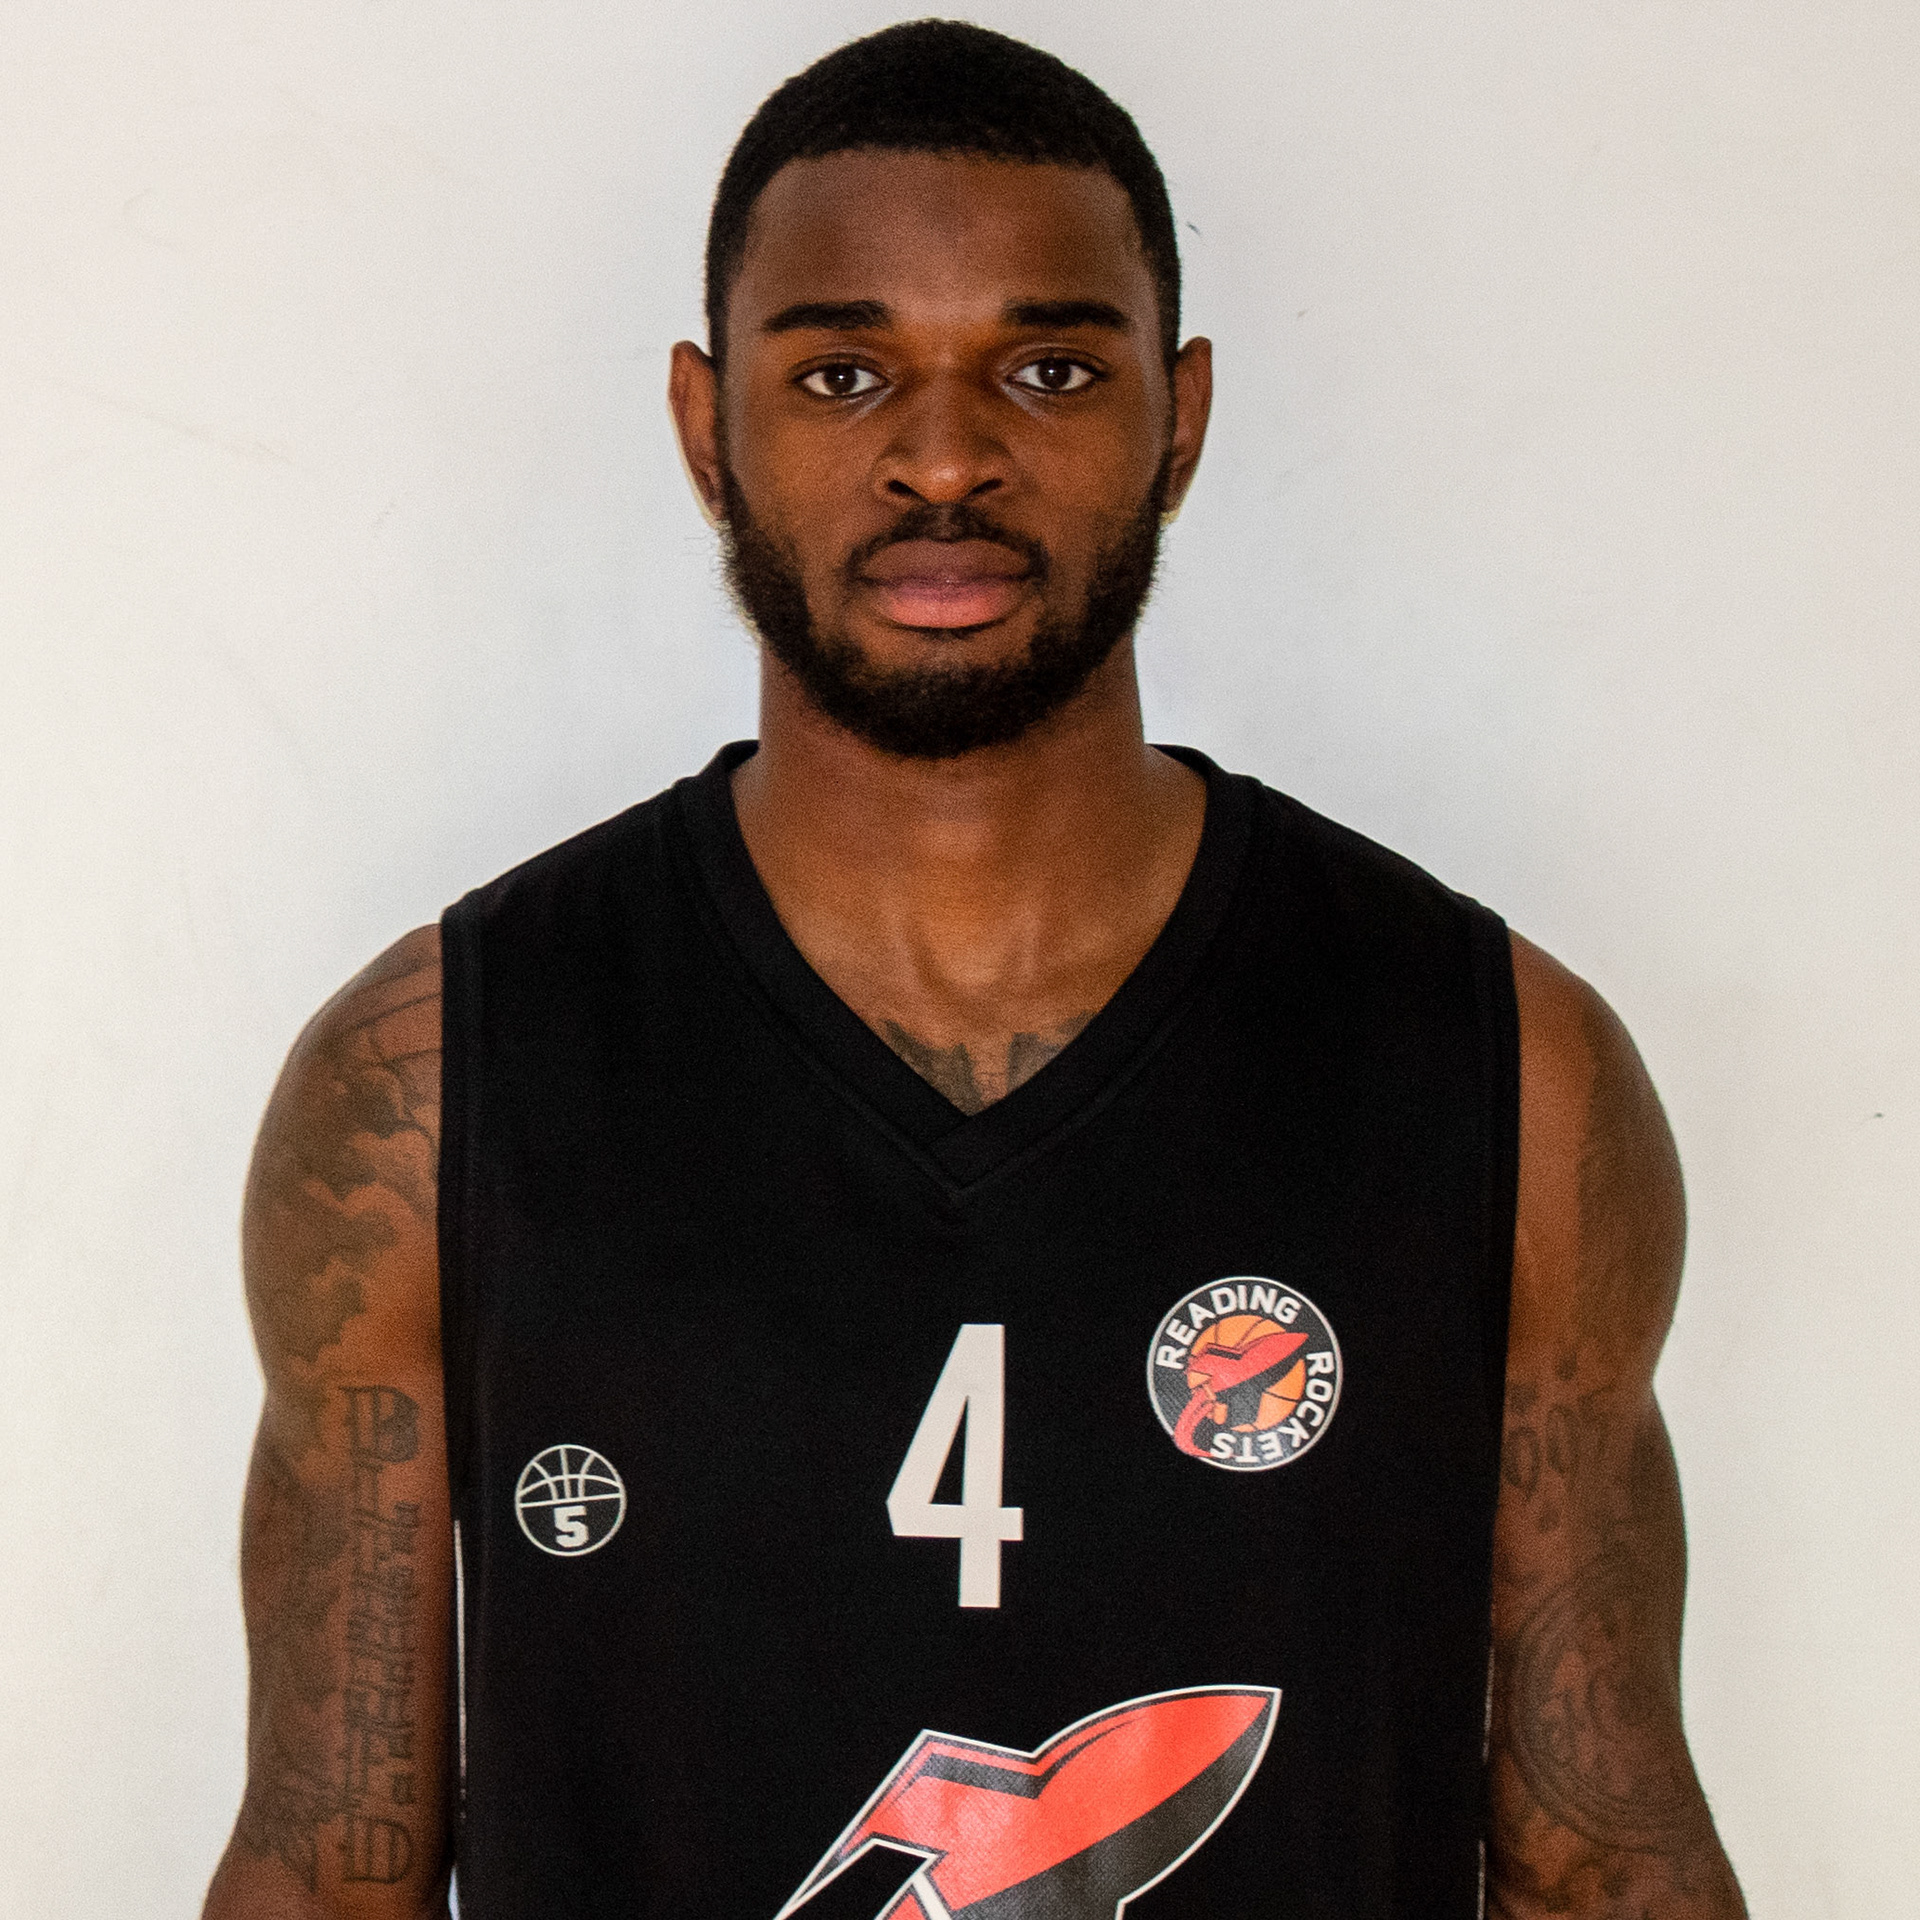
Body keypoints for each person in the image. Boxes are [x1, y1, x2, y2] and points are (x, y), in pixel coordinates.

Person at [202, 21, 1747, 1920]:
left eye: (1050, 368)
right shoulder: (436, 1082)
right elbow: (326, 1871)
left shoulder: (1500, 1064)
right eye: (844, 373)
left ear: (1180, 416)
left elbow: (1606, 1859)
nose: (945, 457)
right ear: (707, 425)